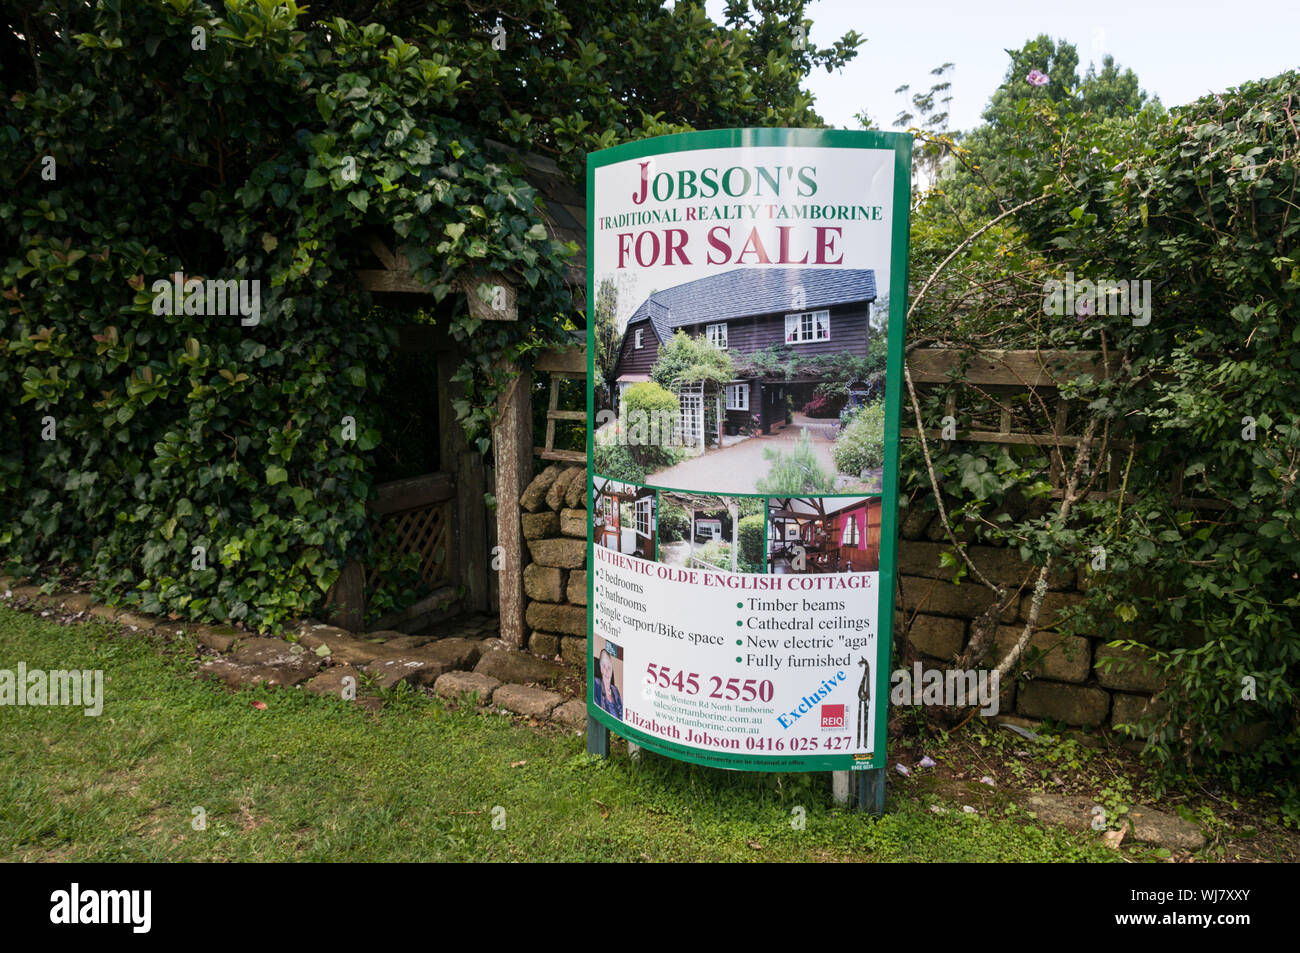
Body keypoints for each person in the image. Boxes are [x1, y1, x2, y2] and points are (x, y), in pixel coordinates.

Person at [593, 648, 623, 720]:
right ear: (600, 669)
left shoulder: (615, 690)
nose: (606, 670)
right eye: (603, 666)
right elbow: (596, 711)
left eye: (609, 667)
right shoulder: (596, 683)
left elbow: (622, 716)